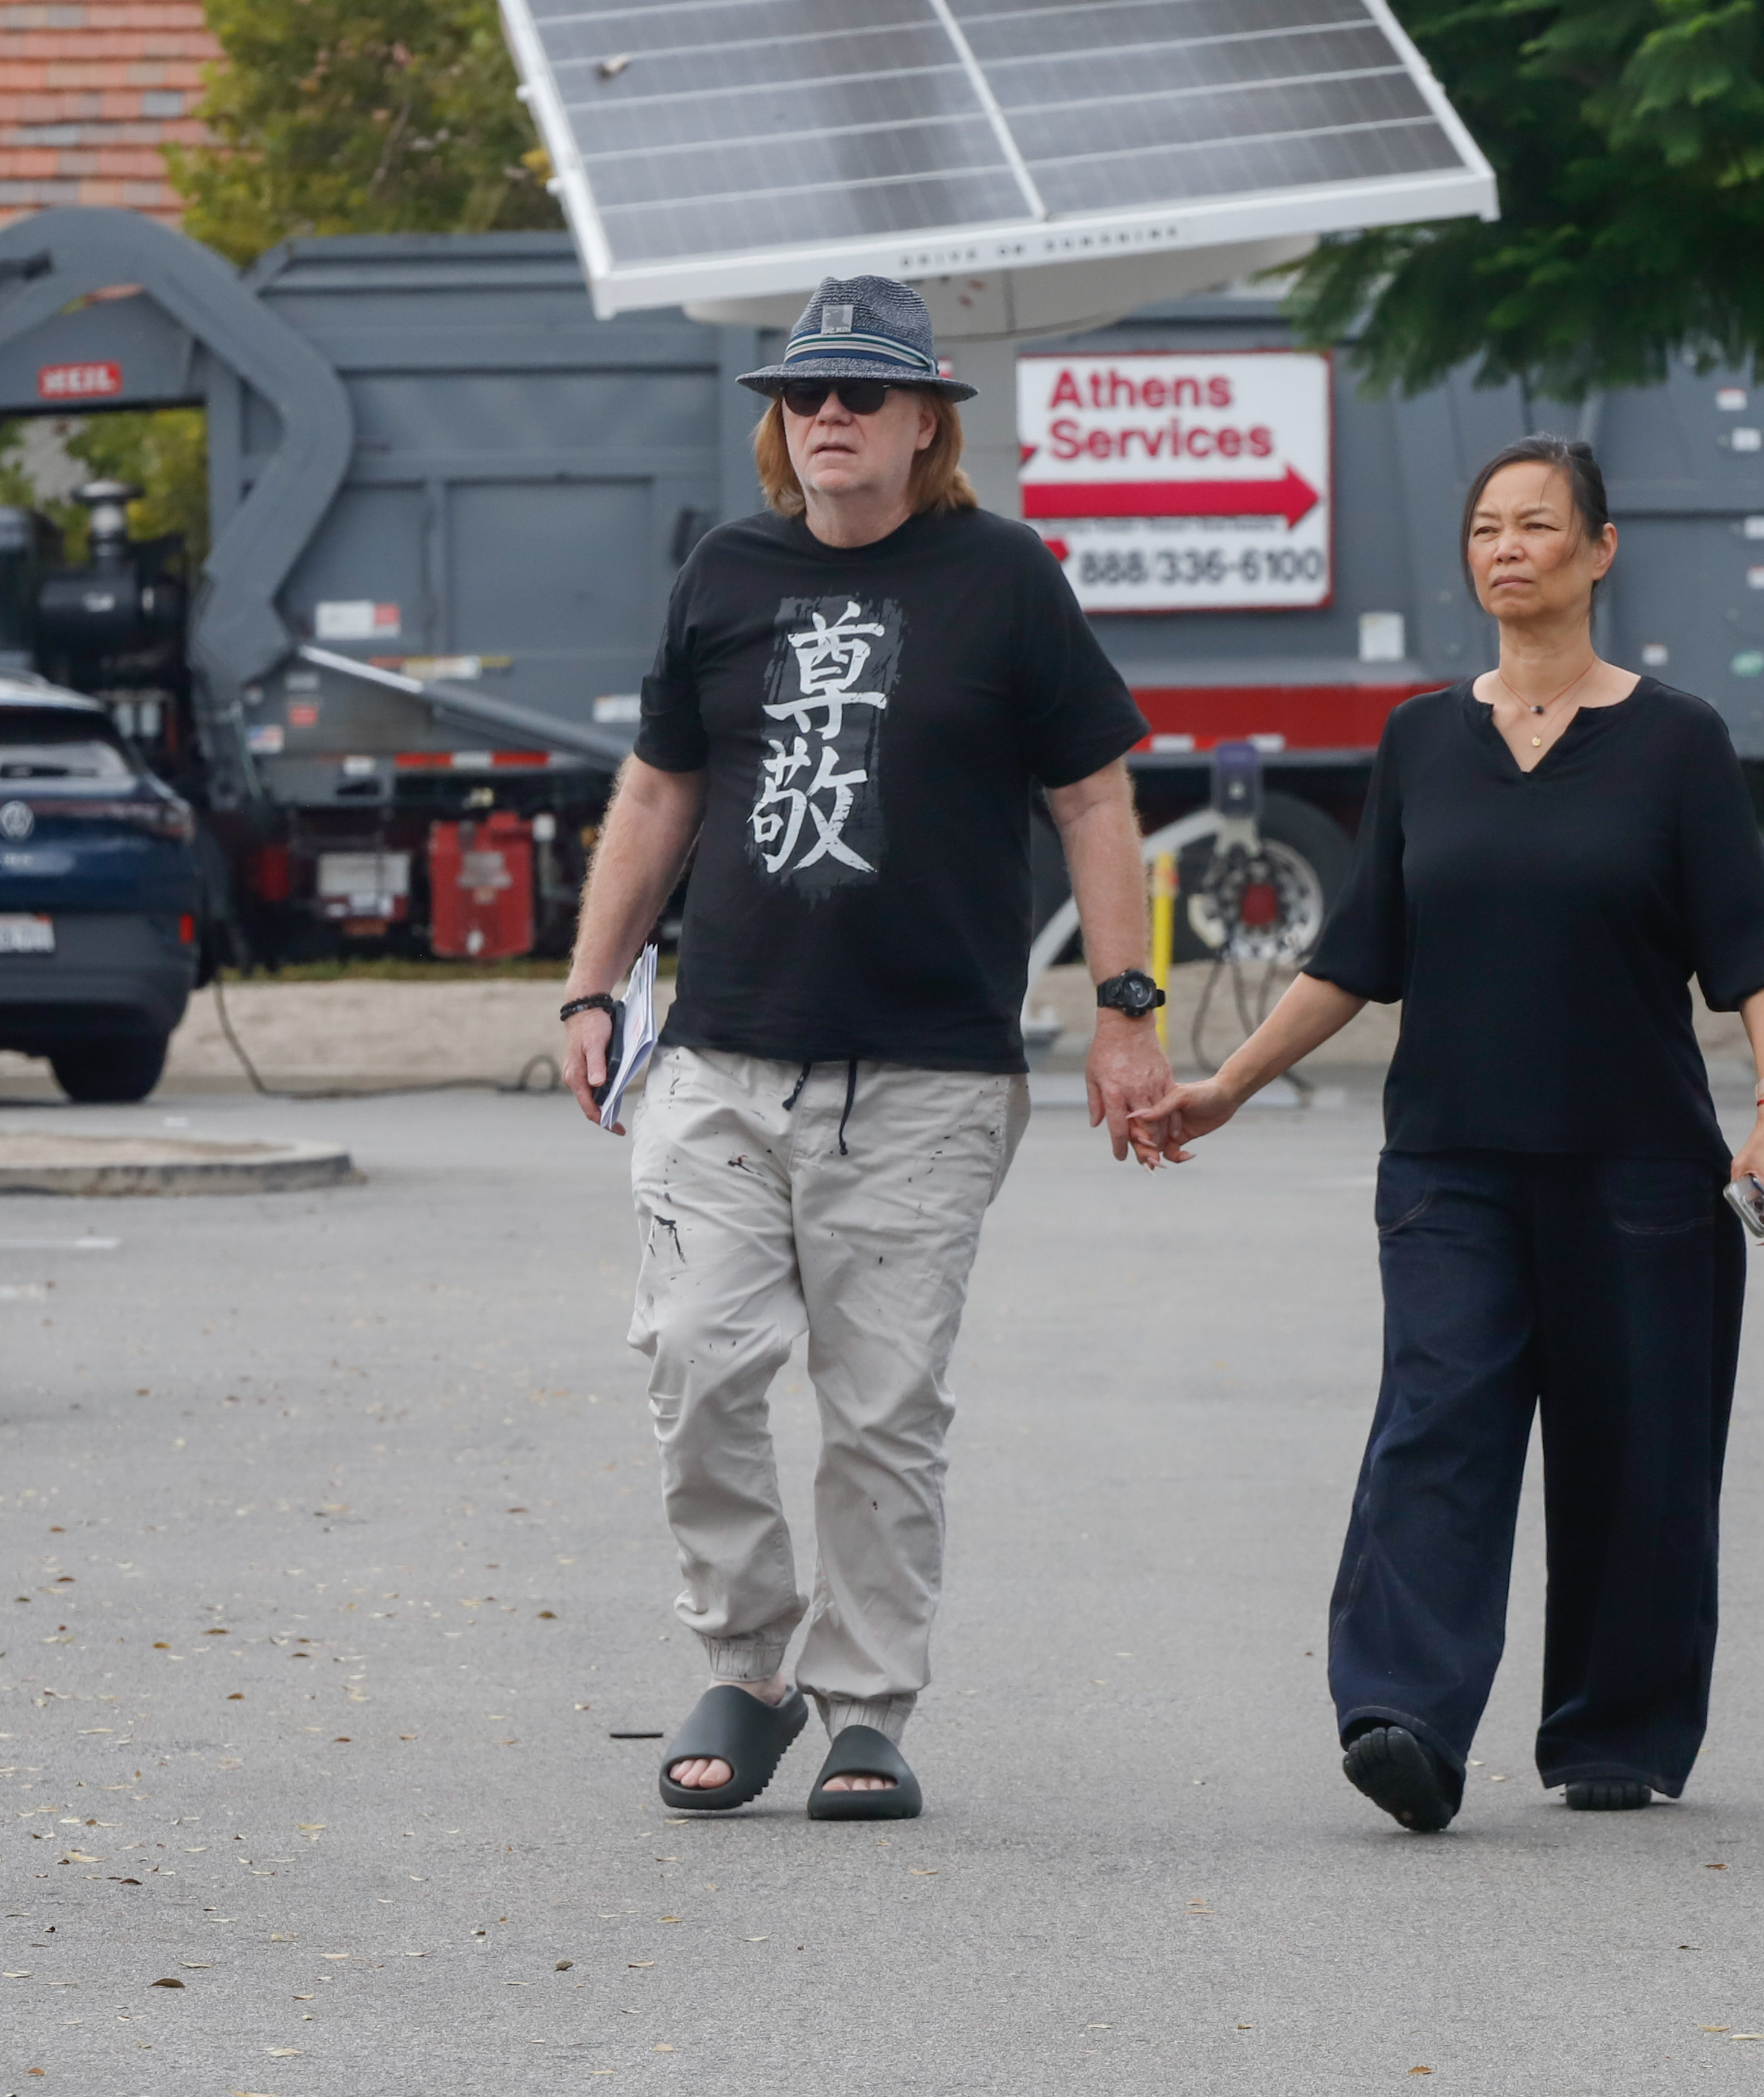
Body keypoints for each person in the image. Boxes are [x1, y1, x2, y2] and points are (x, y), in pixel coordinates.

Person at [1131, 435, 1764, 1830]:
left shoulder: (1675, 740)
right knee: (1434, 1425)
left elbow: (1749, 954)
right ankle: (1404, 1715)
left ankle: (1612, 1730)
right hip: (1447, 1161)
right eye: (1485, 529)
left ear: (1599, 549)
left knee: (1639, 1457)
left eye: (1537, 525)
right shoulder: (1419, 739)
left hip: (1638, 1168)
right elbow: (1355, 952)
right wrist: (1226, 1086)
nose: (1506, 548)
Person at [559, 276, 1173, 1822]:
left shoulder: (1004, 576)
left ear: (923, 424)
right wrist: (590, 986)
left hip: (928, 1077)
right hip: (722, 1062)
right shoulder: (725, 569)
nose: (825, 414)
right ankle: (747, 1664)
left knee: (883, 1406)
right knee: (697, 1355)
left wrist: (1124, 1007)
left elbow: (1094, 801)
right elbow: (656, 797)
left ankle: (866, 1704)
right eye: (802, 394)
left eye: (859, 394)